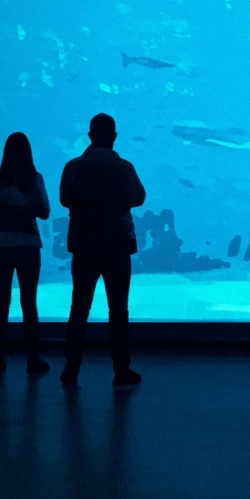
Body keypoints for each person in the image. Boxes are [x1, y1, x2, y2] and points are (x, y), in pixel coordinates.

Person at [58, 113, 146, 389]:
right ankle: (121, 369)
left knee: (79, 307)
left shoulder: (73, 167)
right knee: (118, 309)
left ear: (90, 136)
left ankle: (71, 368)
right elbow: (139, 197)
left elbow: (64, 199)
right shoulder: (123, 167)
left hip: (84, 244)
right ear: (114, 137)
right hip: (117, 244)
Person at [0, 132, 51, 374]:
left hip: (3, 245)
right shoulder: (35, 179)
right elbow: (44, 211)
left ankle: (0, 357)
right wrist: (23, 200)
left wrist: (6, 200)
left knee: (3, 302)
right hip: (28, 245)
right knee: (28, 302)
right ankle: (32, 358)